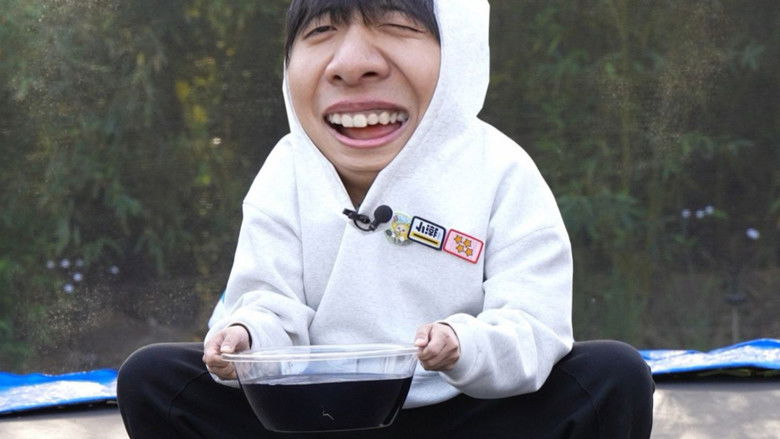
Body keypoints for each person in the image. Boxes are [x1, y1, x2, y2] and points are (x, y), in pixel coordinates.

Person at [117, 0, 655, 437]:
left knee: (612, 376)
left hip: (467, 415)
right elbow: (269, 305)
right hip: (310, 419)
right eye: (321, 31)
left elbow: (534, 328)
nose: (352, 63)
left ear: (459, 50)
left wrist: (462, 344)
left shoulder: (500, 168)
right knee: (155, 378)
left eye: (396, 26)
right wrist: (245, 339)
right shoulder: (287, 169)